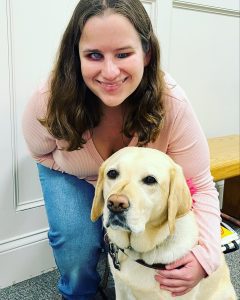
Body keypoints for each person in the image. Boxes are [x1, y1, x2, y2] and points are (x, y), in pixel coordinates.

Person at [22, 0, 222, 299]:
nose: (110, 71)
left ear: (146, 54)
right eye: (93, 55)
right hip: (70, 175)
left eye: (124, 54)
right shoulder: (49, 100)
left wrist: (206, 256)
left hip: (135, 184)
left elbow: (202, 186)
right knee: (75, 243)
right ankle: (79, 294)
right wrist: (94, 179)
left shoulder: (173, 105)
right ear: (75, 57)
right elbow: (40, 153)